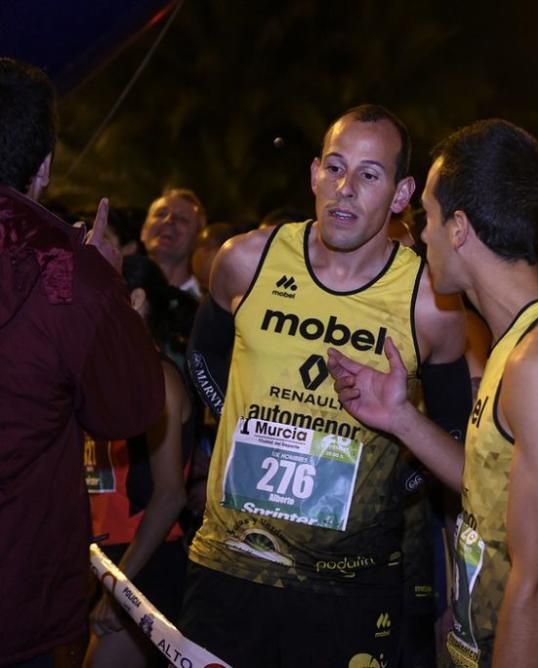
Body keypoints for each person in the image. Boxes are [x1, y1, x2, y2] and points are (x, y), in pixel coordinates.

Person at [181, 104, 466, 668]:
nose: (344, 189)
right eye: (334, 168)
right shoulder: (246, 260)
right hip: (229, 564)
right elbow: (202, 357)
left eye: (368, 174)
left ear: (402, 192)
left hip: (350, 583)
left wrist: (393, 482)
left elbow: (457, 430)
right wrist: (233, 421)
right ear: (313, 173)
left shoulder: (432, 303)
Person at [328, 119, 538, 667]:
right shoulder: (519, 343)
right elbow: (496, 488)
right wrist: (400, 418)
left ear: (459, 227)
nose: (423, 235)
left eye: (429, 218)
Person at [0, 57, 164, 667]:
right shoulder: (72, 273)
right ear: (42, 167)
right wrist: (110, 295)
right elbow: (131, 408)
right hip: (19, 595)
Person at [85, 256, 195, 668]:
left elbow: (169, 495)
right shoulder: (99, 376)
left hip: (145, 561)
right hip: (105, 557)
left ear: (135, 300)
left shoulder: (159, 379)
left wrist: (119, 587)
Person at [141, 188, 207, 299]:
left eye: (182, 219)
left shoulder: (204, 307)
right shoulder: (117, 291)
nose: (169, 220)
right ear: (143, 231)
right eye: (161, 214)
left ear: (196, 238)